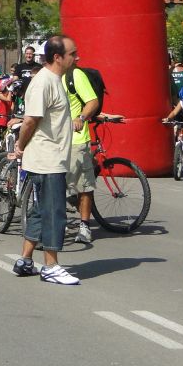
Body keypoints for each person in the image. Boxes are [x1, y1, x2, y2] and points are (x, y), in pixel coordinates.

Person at [10, 35, 78, 285]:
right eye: (72, 53)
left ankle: (25, 260)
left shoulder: (56, 80)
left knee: (40, 210)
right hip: (46, 160)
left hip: (52, 158)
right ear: (57, 57)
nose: (76, 57)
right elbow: (30, 120)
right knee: (54, 212)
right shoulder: (44, 82)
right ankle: (51, 265)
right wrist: (20, 145)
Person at [62, 53, 101, 244]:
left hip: (77, 139)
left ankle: (84, 226)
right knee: (63, 186)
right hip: (56, 141)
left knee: (84, 185)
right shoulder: (50, 77)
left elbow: (92, 101)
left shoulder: (75, 75)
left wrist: (81, 118)